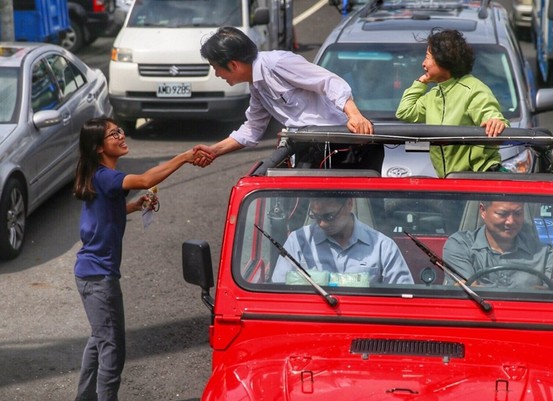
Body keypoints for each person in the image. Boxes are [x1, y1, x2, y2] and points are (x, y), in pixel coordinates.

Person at [72, 117, 198, 401]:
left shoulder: (100, 177)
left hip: (89, 274)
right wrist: (184, 157)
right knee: (112, 351)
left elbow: (106, 215)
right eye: (113, 134)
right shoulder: (105, 176)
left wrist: (135, 205)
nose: (121, 135)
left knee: (99, 341)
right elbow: (145, 180)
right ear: (98, 148)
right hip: (98, 278)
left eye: (119, 130)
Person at [193, 26, 378, 169]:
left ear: (233, 65)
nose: (217, 74)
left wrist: (354, 115)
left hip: (339, 146)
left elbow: (329, 82)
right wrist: (214, 151)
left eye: (216, 67)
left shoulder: (278, 63)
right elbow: (253, 128)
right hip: (307, 147)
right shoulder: (257, 84)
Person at [395, 29, 510, 178]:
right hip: (450, 181)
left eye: (427, 57)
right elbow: (404, 112)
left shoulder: (472, 88)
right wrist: (421, 82)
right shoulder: (434, 94)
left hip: (480, 177)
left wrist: (496, 122)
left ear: (444, 59)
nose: (423, 64)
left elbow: (491, 115)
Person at [271, 197, 414, 285]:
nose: (321, 224)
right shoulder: (298, 241)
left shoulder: (383, 247)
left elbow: (404, 299)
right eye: (316, 217)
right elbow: (277, 295)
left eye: (329, 217)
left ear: (349, 204)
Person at [442, 201, 553, 291]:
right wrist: (531, 293)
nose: (511, 222)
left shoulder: (544, 250)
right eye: (502, 214)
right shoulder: (460, 245)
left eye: (517, 214)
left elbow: (551, 298)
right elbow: (471, 294)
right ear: (483, 211)